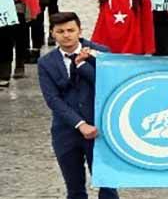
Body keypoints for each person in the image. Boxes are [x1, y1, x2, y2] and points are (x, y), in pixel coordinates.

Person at [37, 12, 120, 199]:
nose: (66, 35)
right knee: (74, 189)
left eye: (70, 30)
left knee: (108, 187)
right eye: (60, 31)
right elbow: (52, 99)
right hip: (66, 131)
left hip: (99, 130)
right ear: (52, 33)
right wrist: (80, 124)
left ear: (80, 31)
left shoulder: (101, 53)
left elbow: (108, 85)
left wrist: (83, 66)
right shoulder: (46, 62)